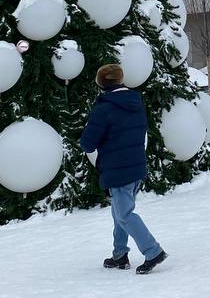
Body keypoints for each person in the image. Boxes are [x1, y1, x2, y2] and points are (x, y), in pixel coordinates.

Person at [79, 63, 168, 275]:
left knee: (124, 214)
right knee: (118, 212)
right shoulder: (136, 102)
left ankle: (153, 251)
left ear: (102, 83)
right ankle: (120, 254)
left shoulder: (104, 108)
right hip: (136, 167)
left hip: (118, 170)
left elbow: (87, 144)